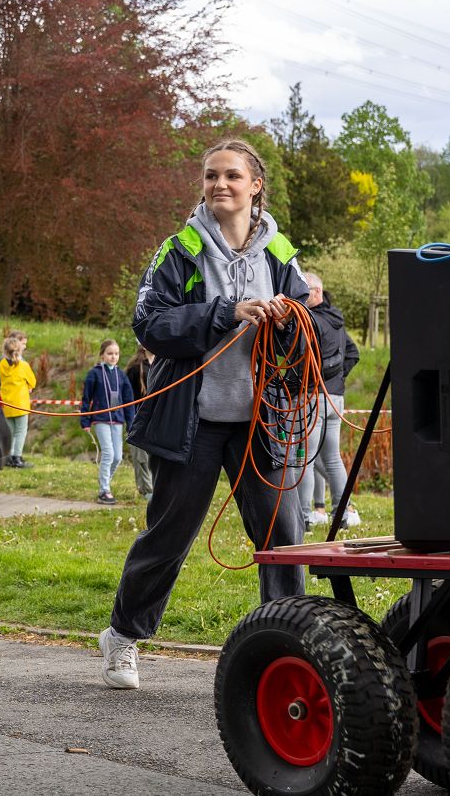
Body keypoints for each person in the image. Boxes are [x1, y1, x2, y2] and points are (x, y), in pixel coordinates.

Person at [98, 139, 308, 691]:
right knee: (169, 537)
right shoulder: (180, 249)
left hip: (260, 423)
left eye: (232, 176)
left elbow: (320, 333)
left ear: (255, 186)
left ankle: (289, 652)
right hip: (191, 421)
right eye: (212, 175)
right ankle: (122, 635)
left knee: (284, 540)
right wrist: (226, 312)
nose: (220, 184)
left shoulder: (280, 253)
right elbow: (149, 324)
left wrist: (291, 321)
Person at [294, 272, 360, 531]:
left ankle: (304, 517)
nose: (300, 296)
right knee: (332, 458)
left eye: (305, 290)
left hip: (313, 397)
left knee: (306, 460)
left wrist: (304, 382)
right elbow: (353, 353)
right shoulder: (337, 321)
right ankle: (340, 515)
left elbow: (300, 358)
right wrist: (336, 378)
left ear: (318, 291)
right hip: (335, 398)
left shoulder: (311, 321)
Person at [81, 339, 135, 505]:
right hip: (101, 419)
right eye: (110, 353)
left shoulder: (121, 375)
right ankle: (104, 490)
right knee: (108, 453)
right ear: (102, 355)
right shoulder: (94, 373)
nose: (113, 357)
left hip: (117, 420)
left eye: (116, 354)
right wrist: (85, 420)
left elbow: (128, 401)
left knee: (117, 457)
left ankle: (105, 483)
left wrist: (130, 423)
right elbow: (86, 398)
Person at [0, 331, 37, 469]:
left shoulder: (1, 364)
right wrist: (28, 386)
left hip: (7, 403)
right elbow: (33, 381)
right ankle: (17, 457)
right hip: (20, 404)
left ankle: (9, 456)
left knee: (11, 431)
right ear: (19, 350)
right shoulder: (23, 365)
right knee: (21, 431)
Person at [123, 347, 157, 503]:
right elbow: (128, 397)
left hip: (156, 419)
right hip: (139, 418)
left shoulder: (163, 363)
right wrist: (131, 421)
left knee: (155, 457)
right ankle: (146, 490)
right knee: (141, 457)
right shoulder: (135, 368)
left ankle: (156, 489)